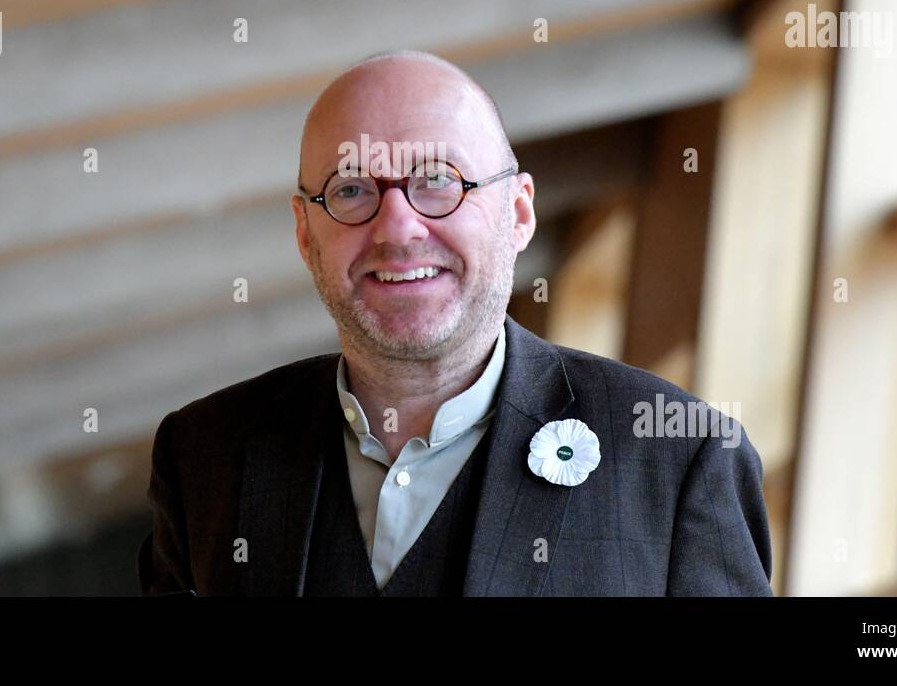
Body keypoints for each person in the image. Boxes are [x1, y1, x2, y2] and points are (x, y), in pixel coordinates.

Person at [138, 50, 773, 596]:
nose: (397, 228)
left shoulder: (677, 460)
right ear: (306, 235)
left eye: (438, 181)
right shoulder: (205, 458)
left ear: (519, 213)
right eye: (352, 190)